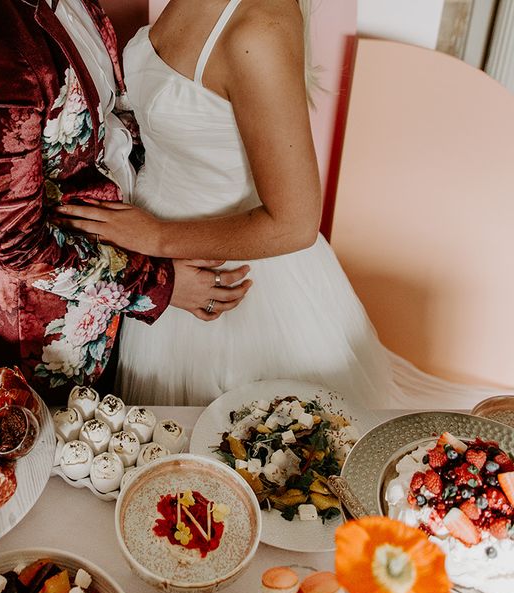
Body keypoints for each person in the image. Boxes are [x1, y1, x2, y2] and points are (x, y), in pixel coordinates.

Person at [54, 0, 499, 408]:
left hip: (228, 279)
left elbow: (295, 224)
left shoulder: (259, 28)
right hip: (159, 267)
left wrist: (155, 235)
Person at [0, 0, 251, 403]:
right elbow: (16, 247)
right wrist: (161, 286)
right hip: (49, 342)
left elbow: (105, 124)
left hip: (119, 284)